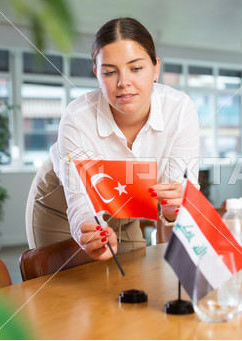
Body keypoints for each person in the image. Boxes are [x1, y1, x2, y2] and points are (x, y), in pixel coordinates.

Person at [26, 17, 199, 261]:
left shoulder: (180, 110)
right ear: (97, 73)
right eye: (109, 72)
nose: (123, 83)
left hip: (127, 207)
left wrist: (175, 208)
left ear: (156, 68)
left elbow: (181, 192)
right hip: (62, 205)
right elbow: (79, 200)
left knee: (134, 280)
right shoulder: (78, 117)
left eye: (136, 68)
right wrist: (90, 231)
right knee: (71, 291)